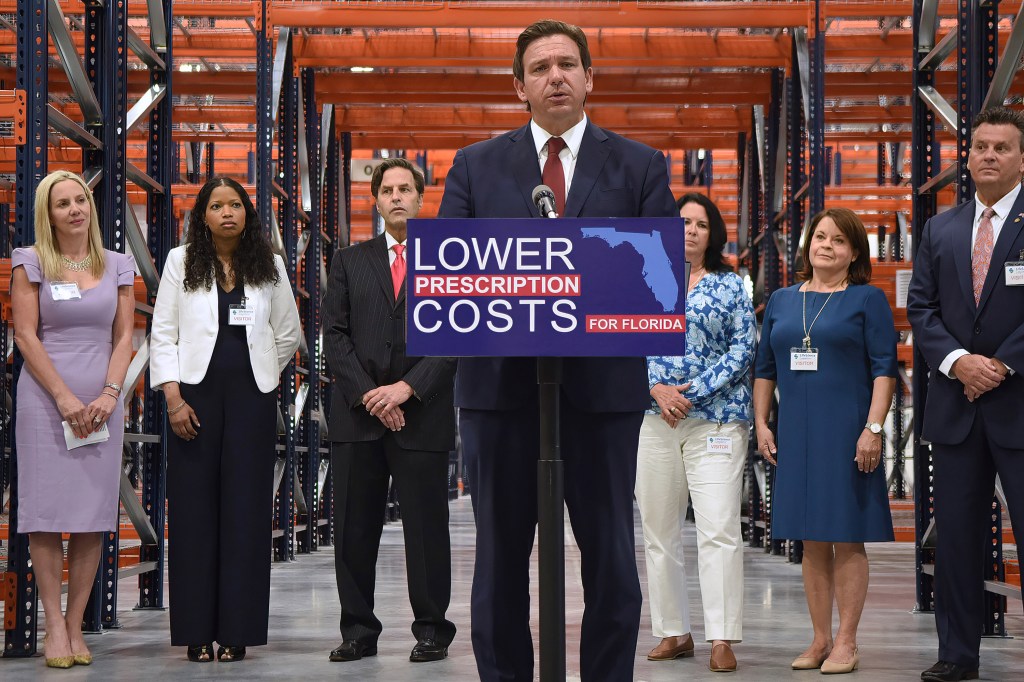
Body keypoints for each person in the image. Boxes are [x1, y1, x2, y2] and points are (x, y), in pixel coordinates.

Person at [437, 19, 677, 682]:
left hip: (601, 396)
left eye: (568, 64)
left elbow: (657, 283)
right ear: (519, 86)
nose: (556, 77)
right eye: (540, 68)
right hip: (500, 394)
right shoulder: (474, 166)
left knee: (611, 563)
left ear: (590, 77)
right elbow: (451, 276)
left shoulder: (639, 166)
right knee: (499, 565)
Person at [150, 176, 301, 663]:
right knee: (194, 515)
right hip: (192, 398)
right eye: (217, 206)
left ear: (246, 213)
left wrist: (262, 376)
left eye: (235, 204)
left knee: (246, 515)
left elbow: (288, 332)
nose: (227, 213)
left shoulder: (270, 266)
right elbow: (163, 333)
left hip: (251, 401)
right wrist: (173, 398)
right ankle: (195, 631)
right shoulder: (180, 261)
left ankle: (236, 632)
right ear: (204, 215)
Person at [322, 158, 457, 664]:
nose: (397, 197)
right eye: (387, 190)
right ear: (375, 200)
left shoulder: (447, 261)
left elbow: (455, 338)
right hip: (359, 417)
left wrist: (405, 389)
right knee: (354, 529)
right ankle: (357, 629)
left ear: (421, 199)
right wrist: (371, 396)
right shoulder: (349, 260)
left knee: (426, 529)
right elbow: (333, 335)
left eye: (406, 189)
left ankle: (431, 629)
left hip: (421, 414)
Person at [753, 207, 897, 675]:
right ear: (807, 244)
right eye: (819, 237)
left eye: (838, 240)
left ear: (854, 252)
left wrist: (873, 429)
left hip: (848, 433)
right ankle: (819, 640)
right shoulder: (780, 300)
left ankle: (848, 643)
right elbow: (764, 370)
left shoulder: (866, 300)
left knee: (847, 538)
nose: (826, 245)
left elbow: (884, 371)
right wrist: (761, 422)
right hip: (796, 434)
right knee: (811, 540)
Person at [907, 106, 1024, 682]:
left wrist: (999, 364)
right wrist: (959, 363)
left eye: (1001, 147)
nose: (989, 155)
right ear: (969, 155)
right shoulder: (941, 229)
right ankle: (957, 654)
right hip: (956, 408)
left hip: (1017, 403)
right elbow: (921, 308)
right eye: (980, 146)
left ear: (1021, 158)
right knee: (954, 539)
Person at [11, 170, 136, 668]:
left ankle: (77, 621)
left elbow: (125, 337)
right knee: (45, 515)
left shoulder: (119, 264)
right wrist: (63, 398)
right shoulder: (32, 261)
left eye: (80, 199)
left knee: (91, 515)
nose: (75, 209)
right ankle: (53, 627)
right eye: (62, 203)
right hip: (45, 399)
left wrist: (110, 393)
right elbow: (26, 335)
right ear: (49, 213)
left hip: (103, 400)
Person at [634, 193, 755, 673]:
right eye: (682, 222)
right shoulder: (644, 281)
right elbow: (624, 339)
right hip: (653, 420)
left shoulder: (730, 286)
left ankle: (721, 636)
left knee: (719, 527)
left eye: (700, 224)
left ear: (713, 233)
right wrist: (657, 389)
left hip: (716, 420)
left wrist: (693, 392)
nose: (690, 230)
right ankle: (673, 631)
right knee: (658, 532)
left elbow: (744, 347)